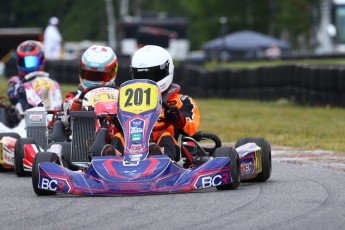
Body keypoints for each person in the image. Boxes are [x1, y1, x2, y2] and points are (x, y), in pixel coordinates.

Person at [103, 45, 200, 161]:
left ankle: (160, 157)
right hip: (132, 146)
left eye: (152, 76)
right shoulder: (128, 100)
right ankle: (112, 161)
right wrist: (117, 121)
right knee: (119, 137)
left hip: (165, 148)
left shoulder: (181, 101)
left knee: (165, 136)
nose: (147, 81)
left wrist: (178, 118)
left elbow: (191, 128)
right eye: (141, 76)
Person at [64, 44, 119, 120]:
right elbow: (65, 115)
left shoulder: (120, 95)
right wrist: (74, 107)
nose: (94, 78)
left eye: (99, 75)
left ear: (113, 73)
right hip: (84, 130)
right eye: (90, 74)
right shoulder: (74, 97)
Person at [7, 40, 46, 124]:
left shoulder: (48, 80)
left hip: (47, 112)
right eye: (25, 62)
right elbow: (12, 98)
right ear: (19, 61)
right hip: (23, 116)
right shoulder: (15, 81)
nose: (29, 66)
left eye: (32, 61)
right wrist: (22, 90)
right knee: (20, 102)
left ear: (41, 59)